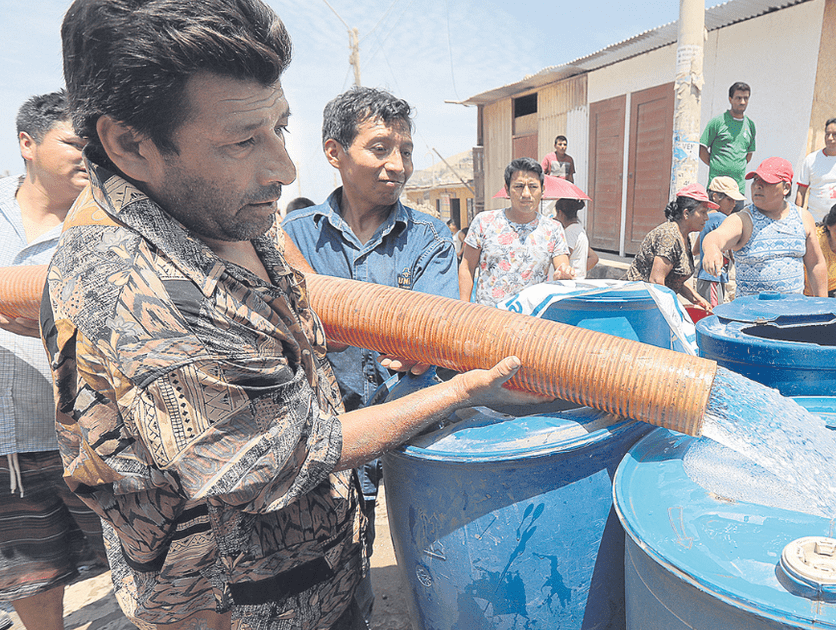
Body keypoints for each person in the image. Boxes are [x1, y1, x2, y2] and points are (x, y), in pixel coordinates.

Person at [48, 1, 536, 628]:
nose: (283, 167)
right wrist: (460, 390)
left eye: (278, 126)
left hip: (318, 570)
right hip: (242, 606)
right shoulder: (143, 294)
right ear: (130, 143)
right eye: (244, 140)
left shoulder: (214, 211)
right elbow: (294, 454)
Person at [281, 86, 457, 626]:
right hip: (328, 436)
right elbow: (292, 330)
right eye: (380, 148)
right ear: (334, 152)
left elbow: (434, 331)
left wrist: (423, 347)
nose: (398, 165)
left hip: (410, 432)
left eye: (405, 150)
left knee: (430, 552)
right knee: (337, 572)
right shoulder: (293, 238)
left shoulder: (429, 236)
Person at [0, 91, 107, 630]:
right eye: (73, 142)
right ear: (27, 144)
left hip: (95, 440)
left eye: (93, 143)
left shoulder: (105, 229)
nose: (87, 154)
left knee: (144, 561)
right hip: (10, 444)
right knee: (30, 573)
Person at [702, 157, 828, 298]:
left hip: (792, 314)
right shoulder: (743, 219)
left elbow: (816, 264)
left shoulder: (803, 217)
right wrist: (712, 249)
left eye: (766, 182)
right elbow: (717, 236)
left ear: (786, 188)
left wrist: (823, 304)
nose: (757, 186)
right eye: (755, 180)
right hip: (752, 316)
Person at [460, 158, 574, 307]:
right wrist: (463, 309)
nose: (526, 194)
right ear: (507, 189)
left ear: (543, 190)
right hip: (487, 320)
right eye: (519, 186)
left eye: (533, 186)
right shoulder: (484, 222)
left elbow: (562, 266)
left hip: (532, 321)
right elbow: (467, 267)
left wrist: (563, 274)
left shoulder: (553, 229)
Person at [624, 183, 716, 309]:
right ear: (686, 214)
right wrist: (674, 310)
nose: (706, 218)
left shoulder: (683, 237)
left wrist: (698, 299)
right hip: (637, 304)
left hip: (653, 302)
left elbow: (676, 280)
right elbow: (656, 282)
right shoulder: (669, 236)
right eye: (703, 212)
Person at [693, 176, 744, 306]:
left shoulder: (707, 218)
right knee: (714, 314)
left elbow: (695, 250)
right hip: (713, 277)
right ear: (715, 197)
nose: (734, 204)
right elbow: (733, 250)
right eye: (729, 199)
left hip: (703, 277)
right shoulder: (722, 218)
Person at [700, 82, 755, 197]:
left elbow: (748, 155)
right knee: (714, 215)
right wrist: (716, 164)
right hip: (717, 189)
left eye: (746, 98)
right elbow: (702, 149)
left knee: (736, 216)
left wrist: (736, 166)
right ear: (730, 99)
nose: (742, 102)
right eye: (738, 98)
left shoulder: (750, 125)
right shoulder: (717, 122)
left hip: (737, 190)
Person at [553, 198, 598, 278]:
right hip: (577, 280)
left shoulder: (569, 232)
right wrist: (579, 271)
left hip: (568, 283)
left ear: (560, 213)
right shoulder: (579, 230)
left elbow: (563, 260)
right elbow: (594, 258)